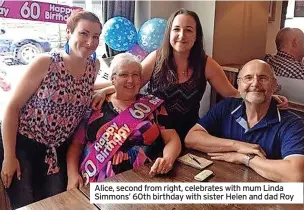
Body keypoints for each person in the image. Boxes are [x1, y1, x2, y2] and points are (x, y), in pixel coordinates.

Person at [92, 8, 288, 147]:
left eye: (188, 30)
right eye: (176, 29)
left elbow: (233, 93)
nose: (181, 35)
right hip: (153, 132)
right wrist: (104, 90)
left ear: (196, 36)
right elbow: (130, 84)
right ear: (169, 33)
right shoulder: (156, 57)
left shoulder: (206, 63)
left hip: (190, 134)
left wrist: (267, 98)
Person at [0, 10, 102, 208]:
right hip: (23, 146)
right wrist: (9, 156)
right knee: (25, 205)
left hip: (59, 151)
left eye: (96, 36)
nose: (90, 41)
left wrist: (107, 91)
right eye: (84, 33)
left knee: (56, 204)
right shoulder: (46, 62)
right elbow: (12, 107)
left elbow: (80, 90)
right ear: (68, 32)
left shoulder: (94, 67)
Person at [66, 53, 181, 189]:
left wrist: (167, 159)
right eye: (124, 75)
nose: (130, 80)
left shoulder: (153, 105)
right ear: (113, 79)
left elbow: (172, 139)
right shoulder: (95, 105)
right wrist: (72, 175)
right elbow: (76, 145)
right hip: (96, 181)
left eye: (135, 75)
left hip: (145, 180)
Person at [185, 59, 304, 182]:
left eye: (263, 78)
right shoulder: (226, 107)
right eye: (248, 78)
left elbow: (296, 175)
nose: (255, 83)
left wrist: (245, 158)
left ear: (274, 85)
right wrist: (238, 146)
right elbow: (191, 138)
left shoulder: (293, 124)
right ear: (238, 84)